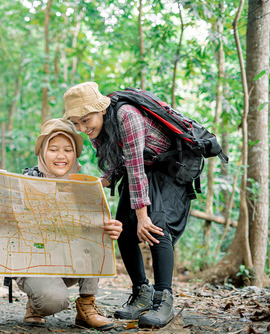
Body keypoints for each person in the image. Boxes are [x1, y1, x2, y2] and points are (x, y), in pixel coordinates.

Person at [62, 82, 190, 328]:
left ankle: (163, 298)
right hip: (142, 168)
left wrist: (142, 216)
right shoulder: (97, 129)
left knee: (155, 226)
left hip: (168, 168)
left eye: (86, 121)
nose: (82, 128)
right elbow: (122, 161)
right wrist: (106, 179)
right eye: (76, 123)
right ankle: (142, 293)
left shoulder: (126, 116)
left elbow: (136, 165)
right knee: (123, 230)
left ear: (100, 109)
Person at [0, 118, 122, 331]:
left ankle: (87, 306)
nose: (61, 156)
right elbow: (7, 229)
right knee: (53, 301)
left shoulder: (84, 187)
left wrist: (111, 228)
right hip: (33, 264)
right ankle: (36, 302)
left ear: (75, 154)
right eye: (53, 149)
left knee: (95, 231)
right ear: (42, 152)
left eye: (68, 150)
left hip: (70, 262)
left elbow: (98, 226)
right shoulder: (22, 185)